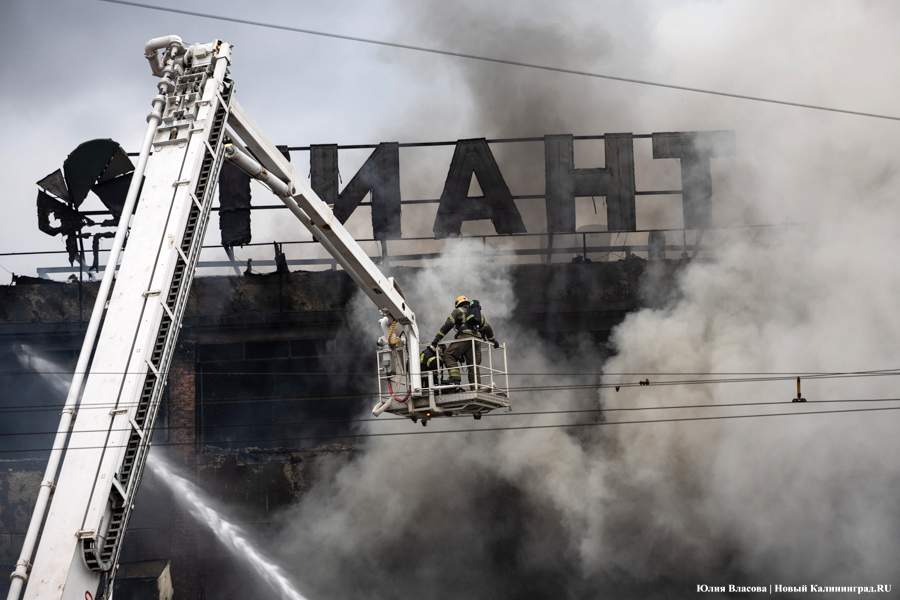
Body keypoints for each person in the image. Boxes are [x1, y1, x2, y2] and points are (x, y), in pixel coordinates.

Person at [431, 296, 499, 390]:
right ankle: (476, 388)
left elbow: (448, 324)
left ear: (457, 304)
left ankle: (455, 378)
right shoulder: (479, 314)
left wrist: (437, 338)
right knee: (473, 366)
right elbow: (488, 328)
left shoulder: (458, 311)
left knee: (449, 355)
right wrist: (493, 341)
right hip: (477, 341)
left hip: (465, 338)